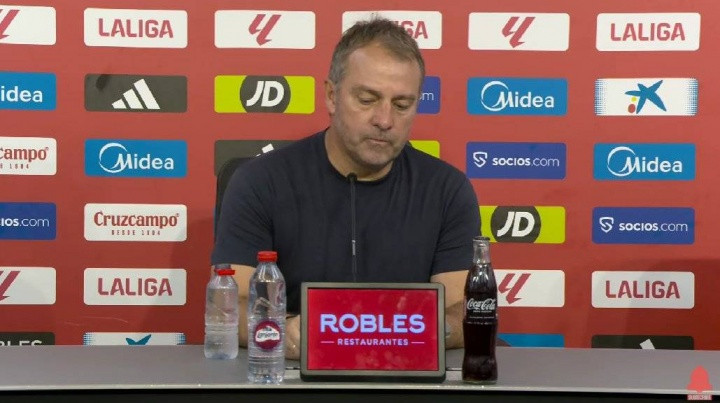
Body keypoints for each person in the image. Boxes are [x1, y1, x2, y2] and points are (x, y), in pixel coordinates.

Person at [211, 18, 480, 360]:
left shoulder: (447, 190)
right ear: (332, 95)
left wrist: (418, 332)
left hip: (406, 371)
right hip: (292, 371)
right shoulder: (260, 181)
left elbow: (461, 309)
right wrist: (285, 330)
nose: (385, 120)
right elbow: (227, 305)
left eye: (402, 105)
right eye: (367, 99)